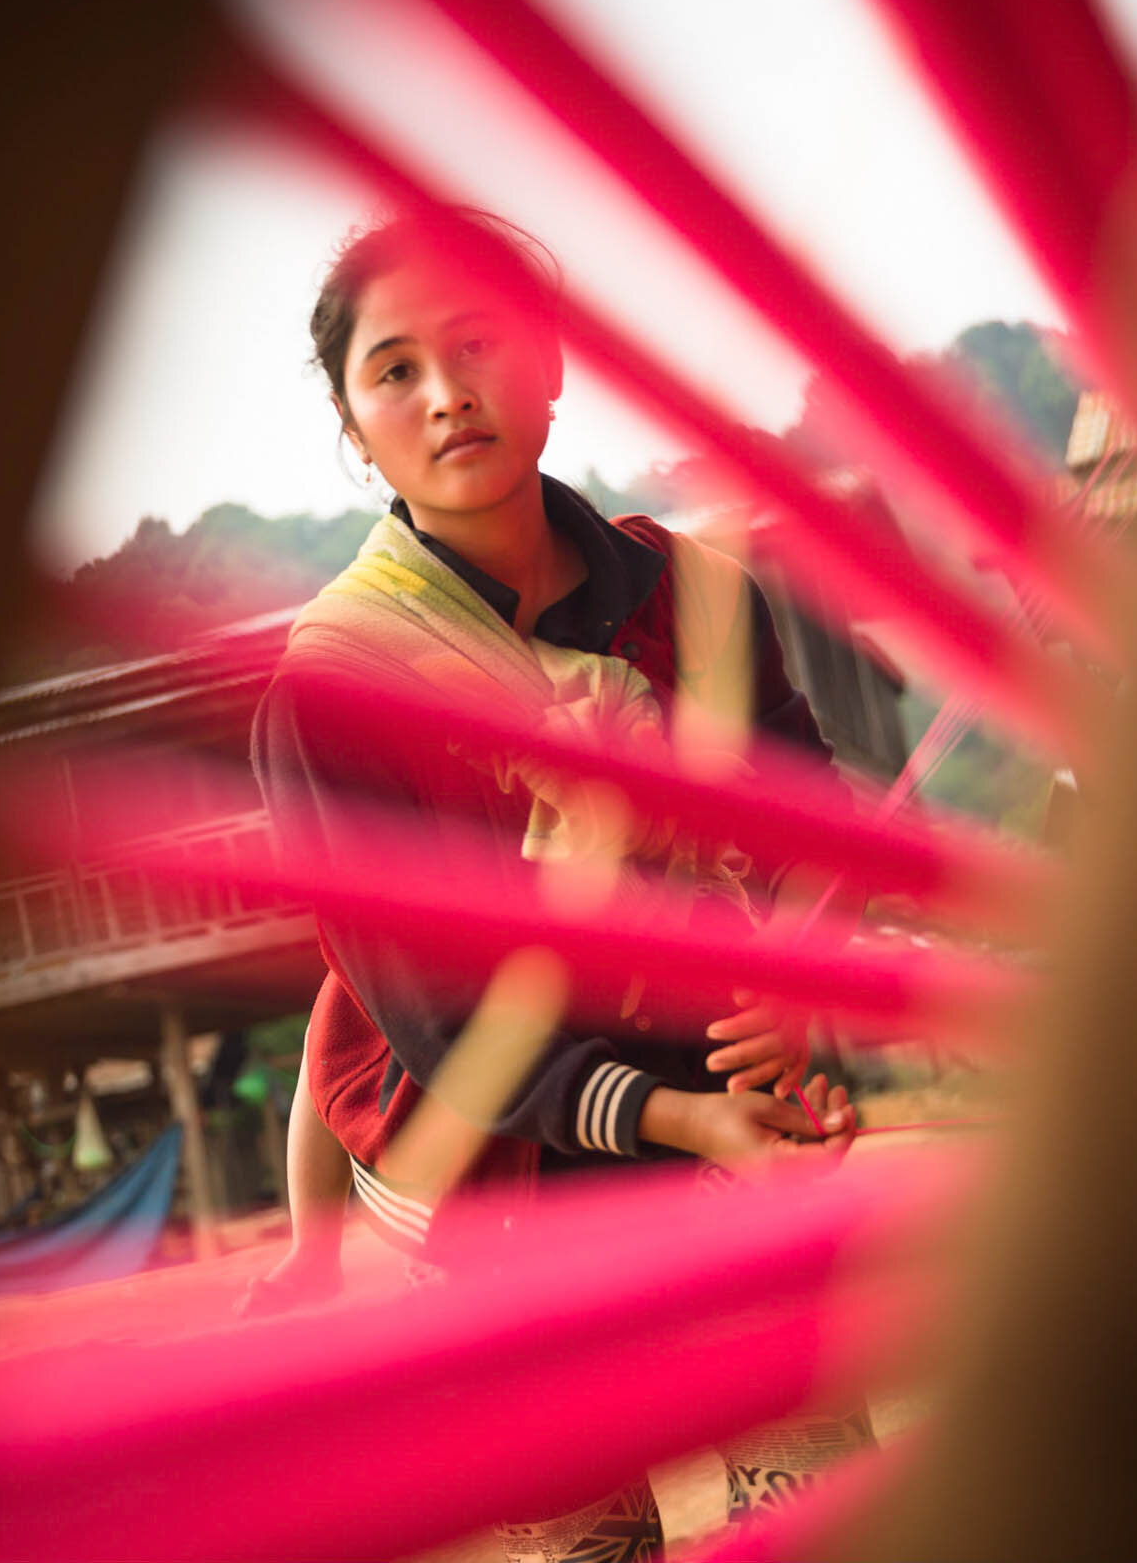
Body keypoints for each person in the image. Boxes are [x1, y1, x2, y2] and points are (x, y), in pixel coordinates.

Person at [247, 205, 870, 1553]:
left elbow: (815, 831)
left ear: (554, 365)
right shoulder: (338, 693)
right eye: (396, 369)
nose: (448, 393)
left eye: (480, 343)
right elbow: (438, 1023)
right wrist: (682, 1121)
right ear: (356, 428)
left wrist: (793, 986)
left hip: (729, 1152)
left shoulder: (699, 598)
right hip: (494, 1202)